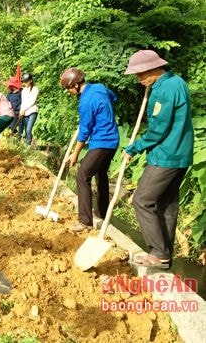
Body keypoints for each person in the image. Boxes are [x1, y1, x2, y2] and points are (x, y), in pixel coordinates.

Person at [123, 50, 193, 269]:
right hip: (181, 154)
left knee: (142, 200)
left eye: (141, 74)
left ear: (154, 68)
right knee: (167, 205)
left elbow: (157, 131)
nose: (139, 79)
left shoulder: (163, 90)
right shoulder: (177, 81)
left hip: (166, 155)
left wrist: (133, 148)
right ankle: (165, 255)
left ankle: (158, 251)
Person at [61, 67, 119, 233]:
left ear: (76, 85)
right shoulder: (99, 88)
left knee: (82, 175)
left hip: (102, 141)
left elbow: (84, 131)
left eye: (68, 89)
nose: (69, 92)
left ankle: (85, 221)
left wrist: (75, 154)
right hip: (113, 140)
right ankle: (101, 212)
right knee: (101, 174)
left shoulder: (86, 101)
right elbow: (114, 97)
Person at [19, 73, 39, 146]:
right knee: (27, 130)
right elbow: (23, 101)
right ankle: (29, 143)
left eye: (26, 81)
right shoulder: (24, 90)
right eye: (24, 82)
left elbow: (32, 101)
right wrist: (21, 111)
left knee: (28, 129)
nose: (25, 83)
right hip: (25, 112)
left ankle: (28, 145)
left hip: (32, 111)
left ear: (30, 81)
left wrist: (25, 109)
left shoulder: (35, 89)